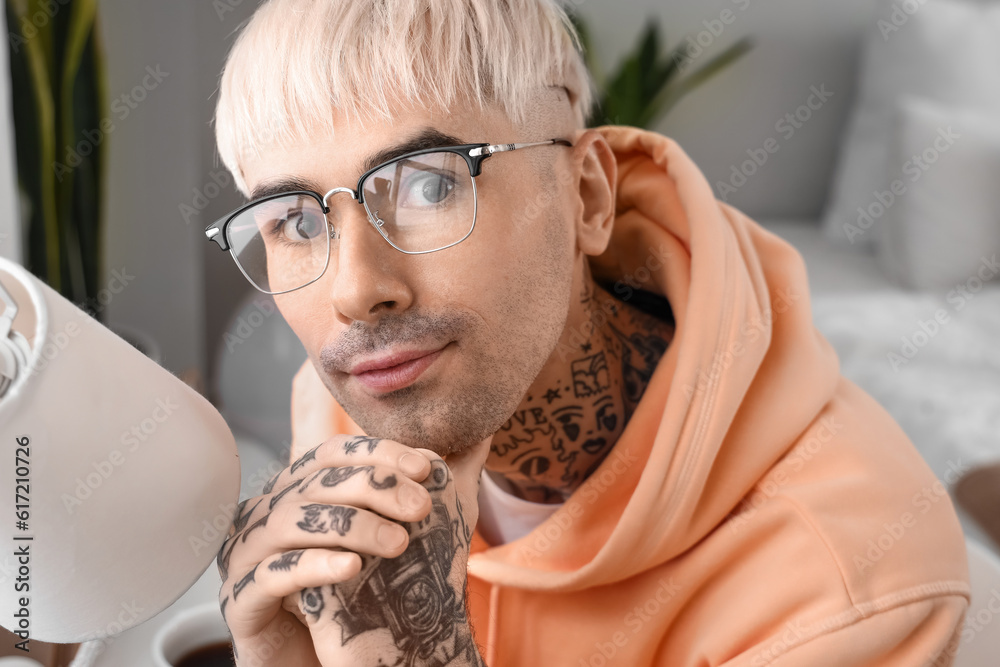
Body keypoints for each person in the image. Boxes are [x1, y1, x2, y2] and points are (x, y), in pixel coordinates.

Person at [207, 1, 972, 664]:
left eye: (430, 182)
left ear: (587, 194)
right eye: (297, 221)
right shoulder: (349, 397)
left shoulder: (850, 583)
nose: (354, 290)